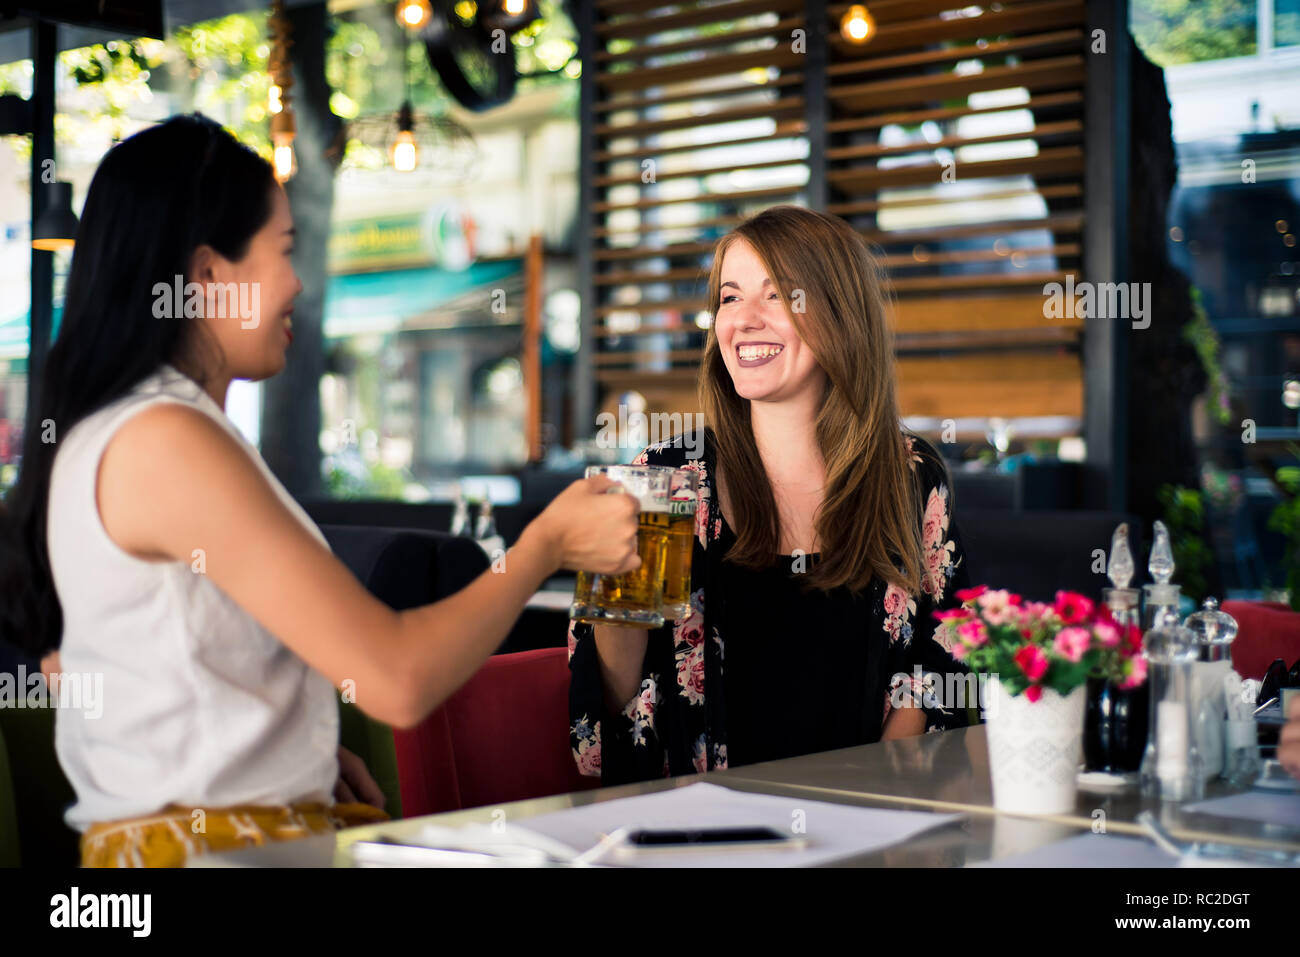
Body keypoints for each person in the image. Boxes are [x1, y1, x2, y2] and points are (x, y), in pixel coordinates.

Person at [0, 114, 641, 866]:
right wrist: (545, 546)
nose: (298, 284)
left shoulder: (146, 430)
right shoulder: (164, 439)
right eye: (285, 251)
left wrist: (295, 758)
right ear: (207, 277)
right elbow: (397, 679)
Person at [568, 206, 973, 784]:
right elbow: (605, 724)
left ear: (838, 312)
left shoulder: (909, 476)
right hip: (701, 835)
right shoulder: (662, 475)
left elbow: (940, 665)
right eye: (730, 299)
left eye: (777, 295)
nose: (744, 320)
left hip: (866, 830)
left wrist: (873, 811)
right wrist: (620, 600)